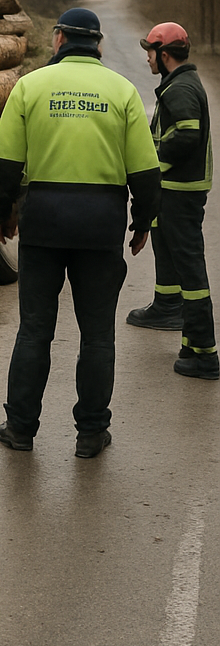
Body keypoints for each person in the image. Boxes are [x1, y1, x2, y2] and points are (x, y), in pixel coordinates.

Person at [0, 7, 161, 458]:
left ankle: (21, 428)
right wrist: (142, 223)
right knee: (98, 334)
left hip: (44, 222)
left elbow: (4, 164)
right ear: (99, 45)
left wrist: (3, 213)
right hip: (101, 225)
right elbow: (145, 171)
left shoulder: (30, 86)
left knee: (34, 331)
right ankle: (90, 434)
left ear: (59, 39)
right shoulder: (122, 90)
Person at [125, 22, 217, 379]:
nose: (147, 57)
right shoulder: (179, 85)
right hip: (179, 191)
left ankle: (205, 354)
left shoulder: (180, 89)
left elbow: (186, 136)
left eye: (150, 51)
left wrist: (152, 164)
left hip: (180, 192)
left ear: (164, 55)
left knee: (191, 272)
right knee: (185, 267)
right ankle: (192, 343)